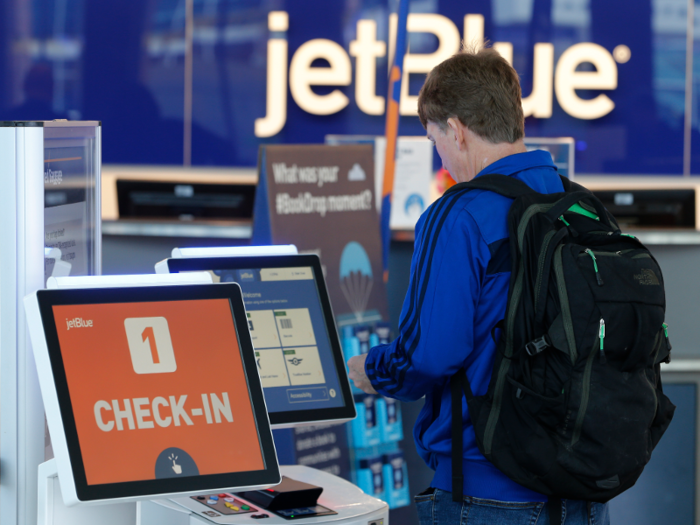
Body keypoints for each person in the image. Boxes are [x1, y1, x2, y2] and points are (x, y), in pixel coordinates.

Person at [347, 46, 611, 525]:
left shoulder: (458, 214)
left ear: (457, 130)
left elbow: (429, 356)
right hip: (583, 490)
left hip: (486, 491)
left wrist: (371, 369)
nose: (442, 156)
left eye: (435, 140)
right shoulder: (581, 205)